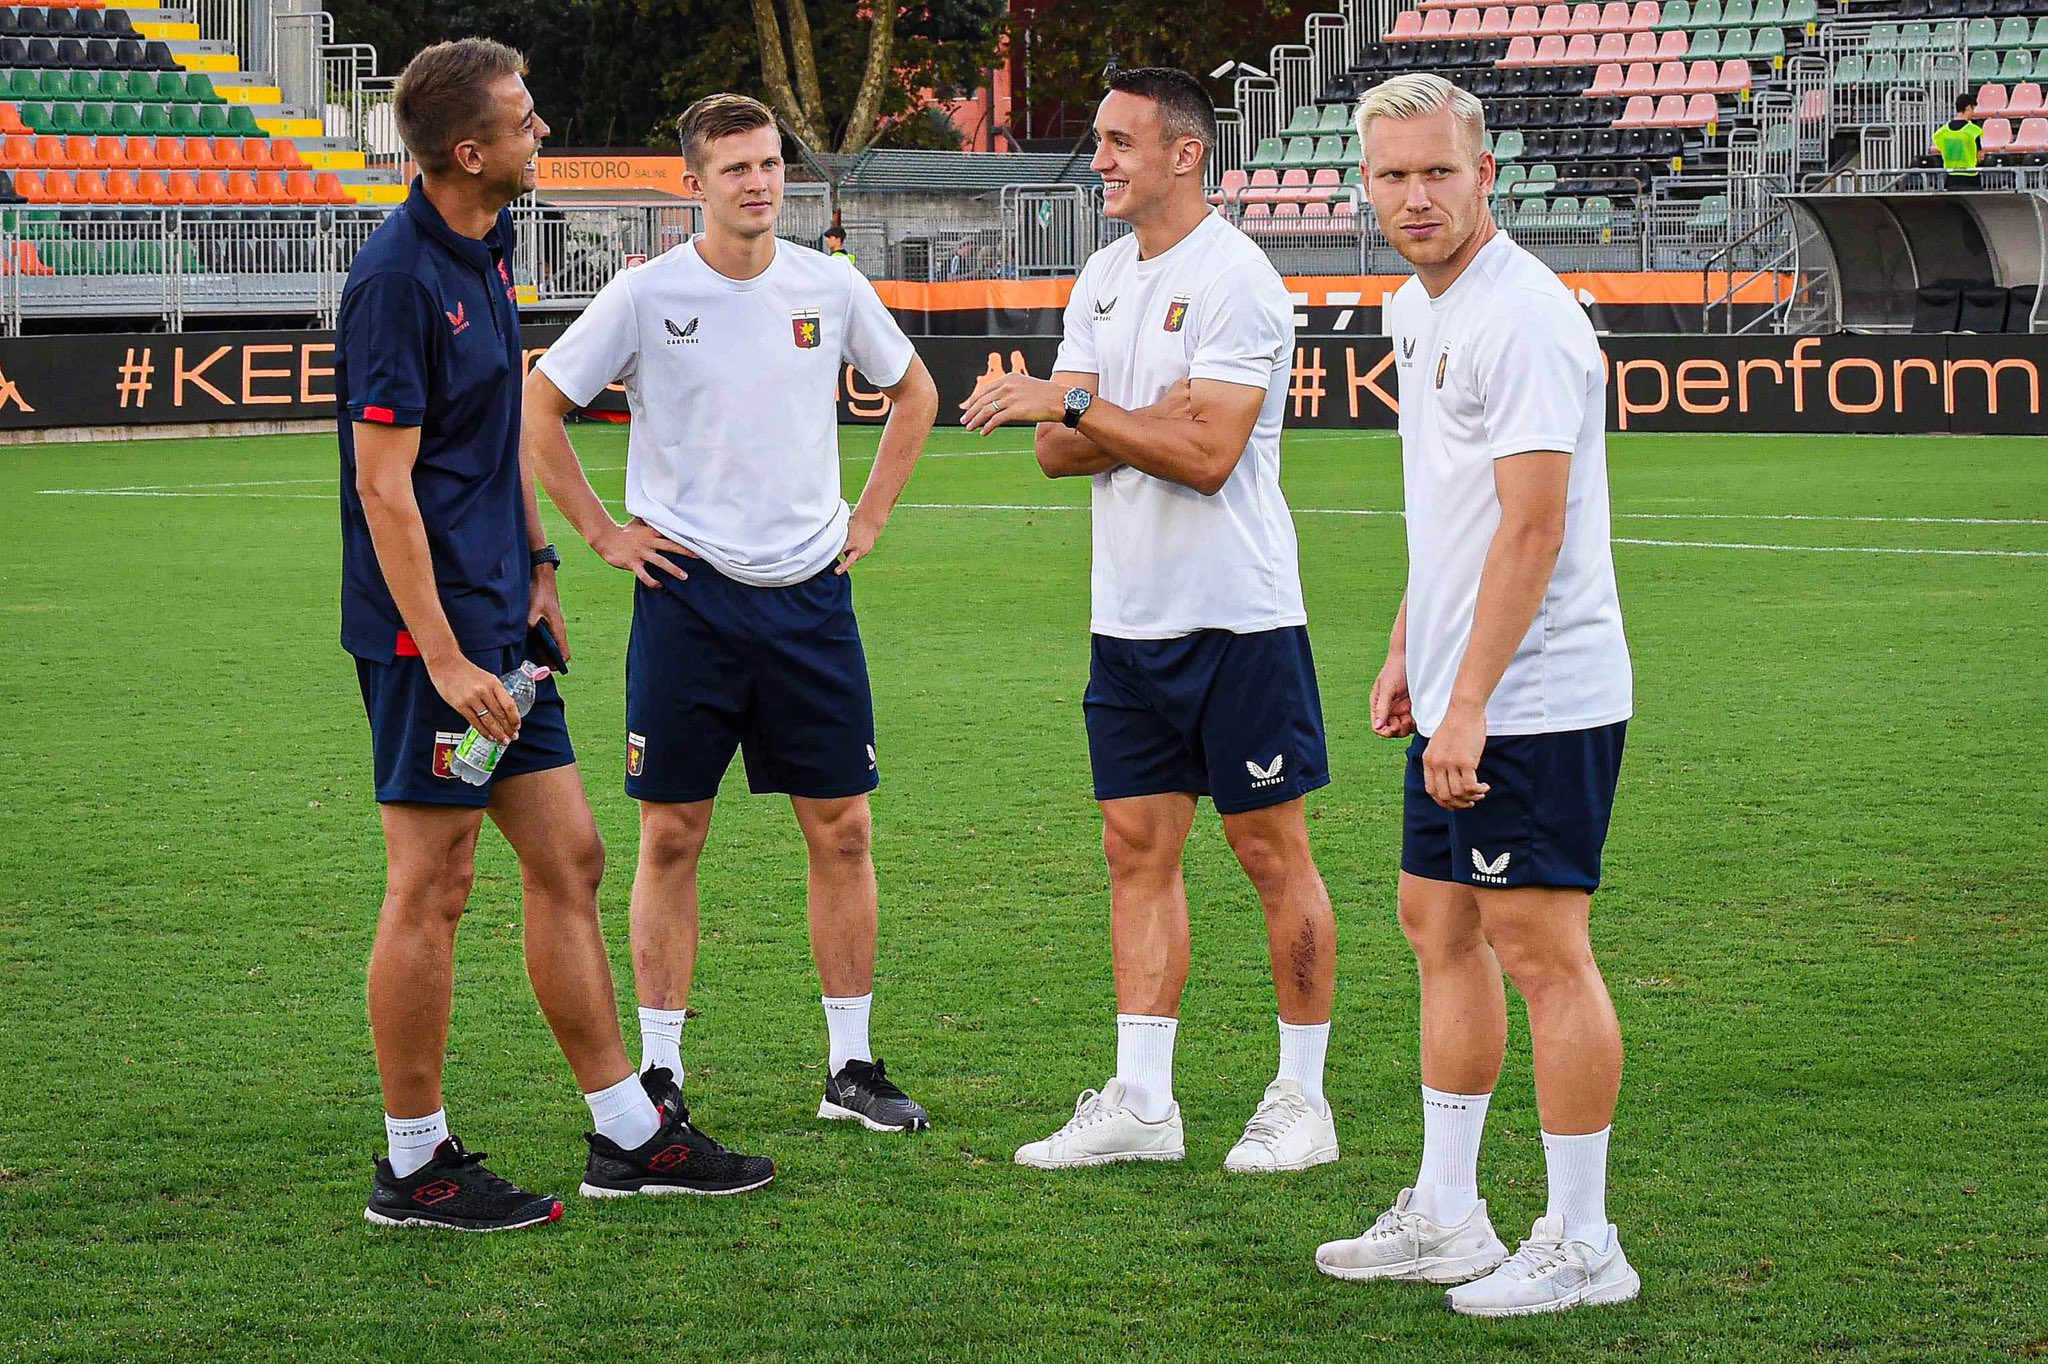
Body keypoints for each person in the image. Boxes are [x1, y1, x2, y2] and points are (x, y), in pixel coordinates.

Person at [339, 40, 771, 1231]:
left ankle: (629, 1132)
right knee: (433, 882)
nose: (541, 130)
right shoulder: (395, 280)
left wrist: (537, 565)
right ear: (467, 150)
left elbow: (497, 429)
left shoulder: (488, 247)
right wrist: (443, 657)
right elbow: (383, 488)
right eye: (522, 119)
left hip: (502, 623)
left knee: (570, 856)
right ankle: (414, 1165)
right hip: (432, 646)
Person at [525, 93, 942, 1143]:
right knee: (672, 832)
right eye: (736, 168)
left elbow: (915, 392)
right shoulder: (644, 293)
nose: (759, 183)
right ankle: (661, 1071)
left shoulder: (829, 283)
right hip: (688, 598)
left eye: (769, 164)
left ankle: (850, 1063)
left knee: (842, 830)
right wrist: (601, 532)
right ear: (694, 183)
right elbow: (538, 405)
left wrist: (870, 515)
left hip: (810, 597)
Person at [960, 67, 1341, 1175]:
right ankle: (1142, 1101)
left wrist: (1089, 406)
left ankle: (1303, 1099)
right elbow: (1053, 450)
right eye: (1098, 141)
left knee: (1269, 852)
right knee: (1135, 849)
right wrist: (1132, 418)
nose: (1100, 162)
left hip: (1239, 617)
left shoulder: (1237, 279)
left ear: (1185, 153)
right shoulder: (1102, 275)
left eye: (1119, 142)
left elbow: (1207, 457)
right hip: (1126, 620)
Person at [1310, 73, 1638, 1316]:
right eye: (1391, 175)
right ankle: (1448, 1212)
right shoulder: (1413, 303)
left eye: (1436, 171)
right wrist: (1410, 644)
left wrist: (1470, 704)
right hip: (1461, 681)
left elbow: (1530, 528)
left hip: (1534, 696)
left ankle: (1583, 1238)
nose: (1414, 196)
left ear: (1484, 173)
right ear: (1364, 184)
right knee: (1435, 923)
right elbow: (1449, 513)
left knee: (1539, 948)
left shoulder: (1525, 316)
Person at [1933, 94, 1983, 192]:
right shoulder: (1973, 131)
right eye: (1973, 109)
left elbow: (1941, 150)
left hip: (1951, 178)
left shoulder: (1942, 132)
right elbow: (1979, 157)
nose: (1973, 113)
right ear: (1968, 108)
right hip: (1970, 178)